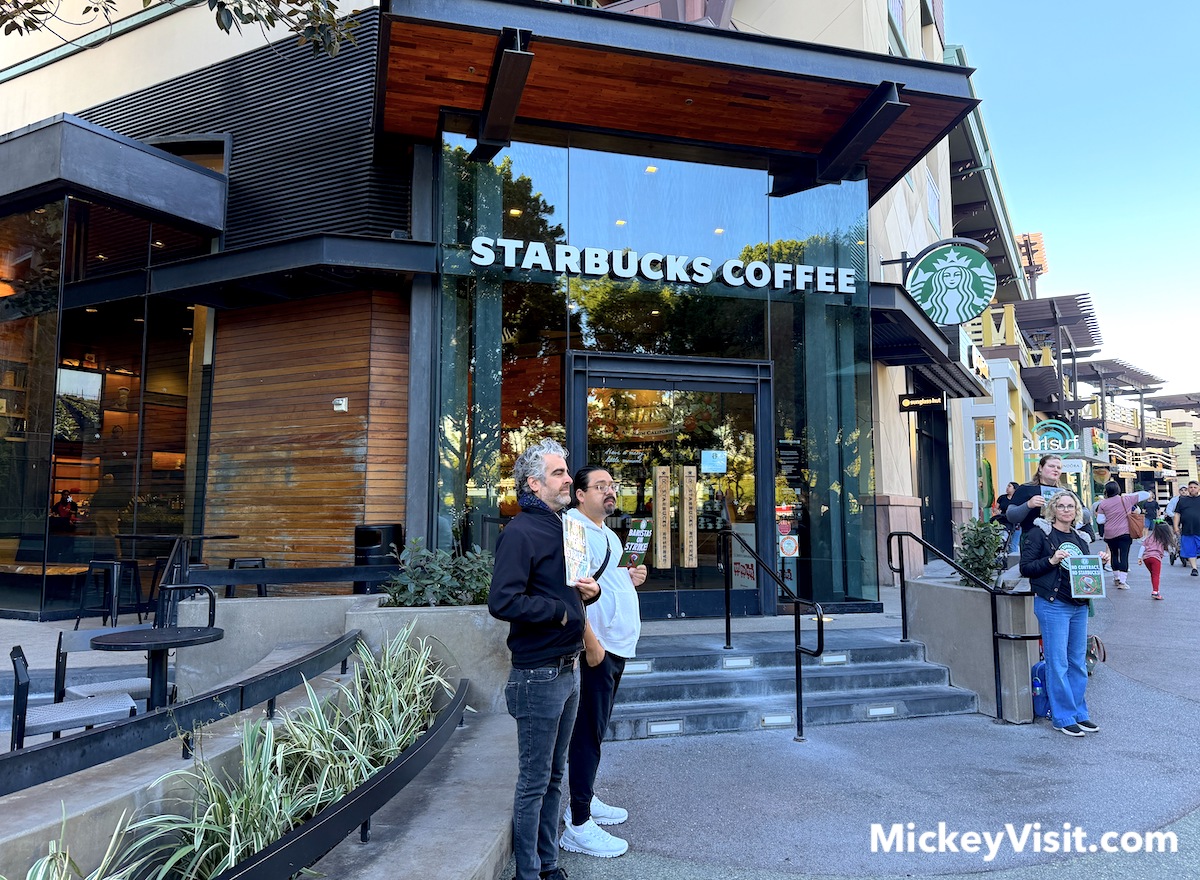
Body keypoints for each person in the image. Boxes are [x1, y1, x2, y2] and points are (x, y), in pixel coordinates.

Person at [488, 438, 601, 880]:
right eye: (558, 473)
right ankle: (528, 873)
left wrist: (588, 593)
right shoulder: (519, 532)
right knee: (535, 782)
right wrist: (558, 612)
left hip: (568, 668)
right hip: (537, 675)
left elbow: (571, 590)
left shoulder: (564, 527)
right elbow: (502, 601)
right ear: (533, 484)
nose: (569, 479)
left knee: (555, 777)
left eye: (566, 471)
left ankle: (548, 865)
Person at [561, 466, 646, 859]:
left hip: (617, 646)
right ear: (579, 494)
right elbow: (572, 592)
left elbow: (608, 581)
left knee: (594, 732)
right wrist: (590, 645)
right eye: (600, 486)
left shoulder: (606, 533)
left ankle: (586, 799)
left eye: (612, 486)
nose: (609, 492)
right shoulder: (574, 531)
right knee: (586, 734)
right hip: (600, 648)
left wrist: (632, 576)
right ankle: (578, 824)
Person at [1020, 490, 1110, 737]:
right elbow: (1025, 568)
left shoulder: (1080, 537)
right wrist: (1051, 560)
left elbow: (1083, 572)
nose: (1066, 510)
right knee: (1058, 663)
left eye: (1071, 506)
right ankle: (1062, 716)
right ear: (1052, 509)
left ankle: (1079, 713)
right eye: (1061, 506)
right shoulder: (1039, 534)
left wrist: (1099, 562)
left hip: (1078, 605)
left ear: (1077, 511)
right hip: (1053, 604)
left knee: (1077, 662)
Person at [1095, 482, 1151, 589]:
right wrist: (1128, 495)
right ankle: (1122, 582)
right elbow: (1146, 494)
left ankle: (1116, 578)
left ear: (1106, 491)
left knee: (1114, 555)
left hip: (1110, 533)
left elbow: (1100, 520)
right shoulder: (1126, 499)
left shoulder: (1103, 504)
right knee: (1124, 555)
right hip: (1125, 533)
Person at [1005, 454, 1064, 547]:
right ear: (1040, 468)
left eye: (1059, 467)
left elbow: (1085, 513)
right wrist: (1028, 505)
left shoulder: (1065, 492)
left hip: (1061, 539)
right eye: (1051, 466)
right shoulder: (1026, 489)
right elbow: (1011, 515)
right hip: (1032, 540)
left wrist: (1071, 509)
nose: (1055, 469)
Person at [1137, 521, 1178, 600]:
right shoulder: (1163, 539)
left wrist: (1139, 557)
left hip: (1146, 558)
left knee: (1153, 574)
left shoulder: (1149, 538)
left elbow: (1143, 547)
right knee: (1156, 575)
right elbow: (1169, 550)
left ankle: (1156, 590)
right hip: (1156, 558)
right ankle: (1155, 592)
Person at [1172, 480, 1200, 577]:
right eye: (1191, 487)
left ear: (1199, 489)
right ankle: (1194, 568)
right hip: (1188, 529)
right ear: (1188, 489)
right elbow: (1177, 514)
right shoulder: (1182, 500)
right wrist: (1175, 526)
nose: (1193, 489)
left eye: (1195, 487)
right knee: (1190, 549)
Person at [996, 482, 1019, 552]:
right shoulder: (1002, 498)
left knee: (1013, 545)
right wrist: (997, 512)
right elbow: (995, 508)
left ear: (1014, 489)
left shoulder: (1018, 499)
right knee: (1002, 540)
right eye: (1007, 486)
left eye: (1009, 486)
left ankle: (1014, 557)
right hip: (1003, 521)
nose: (1007, 488)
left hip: (1016, 523)